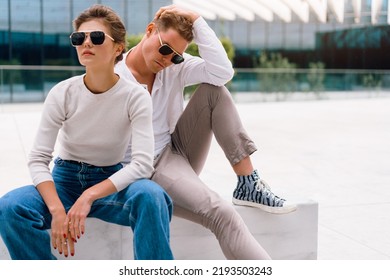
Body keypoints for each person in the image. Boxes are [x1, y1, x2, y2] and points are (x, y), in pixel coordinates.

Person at [115, 5, 298, 260]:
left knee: (215, 91)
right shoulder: (114, 78)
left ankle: (247, 183)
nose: (167, 60)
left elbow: (222, 73)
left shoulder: (174, 67)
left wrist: (197, 21)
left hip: (175, 150)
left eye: (176, 56)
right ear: (149, 30)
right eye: (165, 48)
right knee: (222, 213)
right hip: (147, 169)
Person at [0, 4, 173, 260]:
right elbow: (38, 159)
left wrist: (89, 196)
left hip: (109, 183)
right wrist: (58, 210)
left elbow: (142, 165)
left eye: (97, 37)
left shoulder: (135, 95)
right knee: (10, 207)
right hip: (64, 182)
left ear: (118, 47)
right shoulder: (63, 92)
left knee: (152, 196)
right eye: (79, 38)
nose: (86, 43)